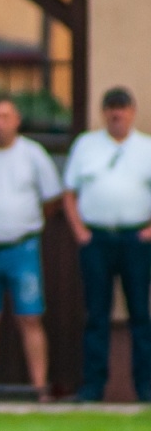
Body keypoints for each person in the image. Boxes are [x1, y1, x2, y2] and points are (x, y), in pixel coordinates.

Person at [0, 96, 63, 403]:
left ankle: (39, 386)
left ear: (17, 120)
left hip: (23, 247)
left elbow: (51, 199)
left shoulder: (33, 155)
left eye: (5, 116)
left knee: (30, 316)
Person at [62, 86, 151, 403]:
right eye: (112, 108)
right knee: (96, 315)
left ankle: (145, 387)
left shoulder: (146, 147)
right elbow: (69, 192)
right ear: (104, 113)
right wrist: (79, 231)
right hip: (96, 238)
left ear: (132, 112)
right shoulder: (86, 146)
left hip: (135, 239)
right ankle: (93, 387)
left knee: (140, 313)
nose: (117, 114)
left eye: (123, 108)